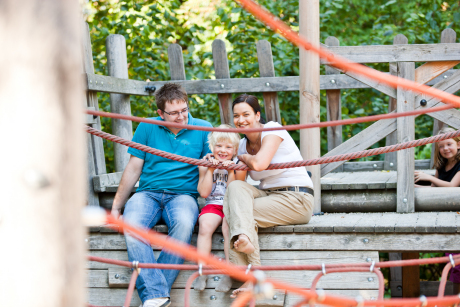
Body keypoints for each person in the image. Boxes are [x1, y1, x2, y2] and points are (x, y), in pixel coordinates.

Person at [111, 83, 212, 307]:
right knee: (132, 224)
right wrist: (117, 205)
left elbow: (207, 172)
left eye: (184, 109)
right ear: (160, 113)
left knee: (185, 224)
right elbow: (133, 168)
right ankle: (158, 294)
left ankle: (154, 297)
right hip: (147, 193)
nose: (181, 116)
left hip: (183, 195)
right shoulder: (147, 127)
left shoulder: (204, 128)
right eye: (174, 113)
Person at [223, 94, 314, 297]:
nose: (241, 120)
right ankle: (248, 273)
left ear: (257, 115)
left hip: (297, 197)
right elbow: (236, 187)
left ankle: (252, 276)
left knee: (238, 214)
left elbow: (259, 164)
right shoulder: (240, 145)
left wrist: (243, 157)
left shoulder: (272, 129)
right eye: (236, 116)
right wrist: (228, 167)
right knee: (235, 194)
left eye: (246, 114)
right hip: (269, 196)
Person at [194, 125, 240, 292]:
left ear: (235, 150)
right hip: (213, 203)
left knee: (228, 227)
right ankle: (202, 271)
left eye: (228, 147)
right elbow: (204, 193)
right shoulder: (205, 163)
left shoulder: (238, 164)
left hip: (230, 204)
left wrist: (231, 170)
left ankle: (229, 271)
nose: (223, 150)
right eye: (219, 146)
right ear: (212, 147)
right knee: (205, 225)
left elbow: (234, 192)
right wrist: (211, 169)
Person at [414, 127, 460, 292]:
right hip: (445, 216)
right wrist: (414, 186)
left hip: (457, 215)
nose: (445, 149)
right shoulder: (441, 166)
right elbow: (434, 189)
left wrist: (428, 177)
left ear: (459, 144)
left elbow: (452, 186)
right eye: (441, 146)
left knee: (456, 261)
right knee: (450, 260)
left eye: (449, 144)